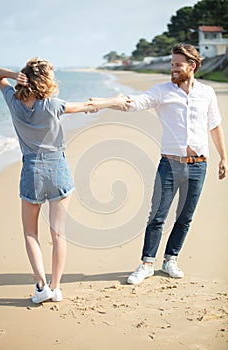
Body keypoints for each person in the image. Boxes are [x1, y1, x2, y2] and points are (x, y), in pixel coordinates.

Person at [90, 43, 227, 284]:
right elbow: (133, 103)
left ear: (192, 66)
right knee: (158, 216)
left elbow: (214, 125)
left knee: (185, 217)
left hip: (199, 165)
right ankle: (147, 264)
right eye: (171, 64)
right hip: (170, 165)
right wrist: (104, 102)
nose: (172, 68)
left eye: (177, 65)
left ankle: (170, 259)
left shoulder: (206, 93)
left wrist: (223, 158)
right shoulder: (162, 91)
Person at [0, 58, 130, 303]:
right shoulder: (52, 105)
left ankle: (40, 287)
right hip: (58, 168)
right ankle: (56, 288)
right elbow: (88, 105)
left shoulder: (13, 102)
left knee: (30, 233)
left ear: (26, 78)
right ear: (46, 80)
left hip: (31, 170)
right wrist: (115, 101)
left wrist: (14, 75)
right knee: (58, 234)